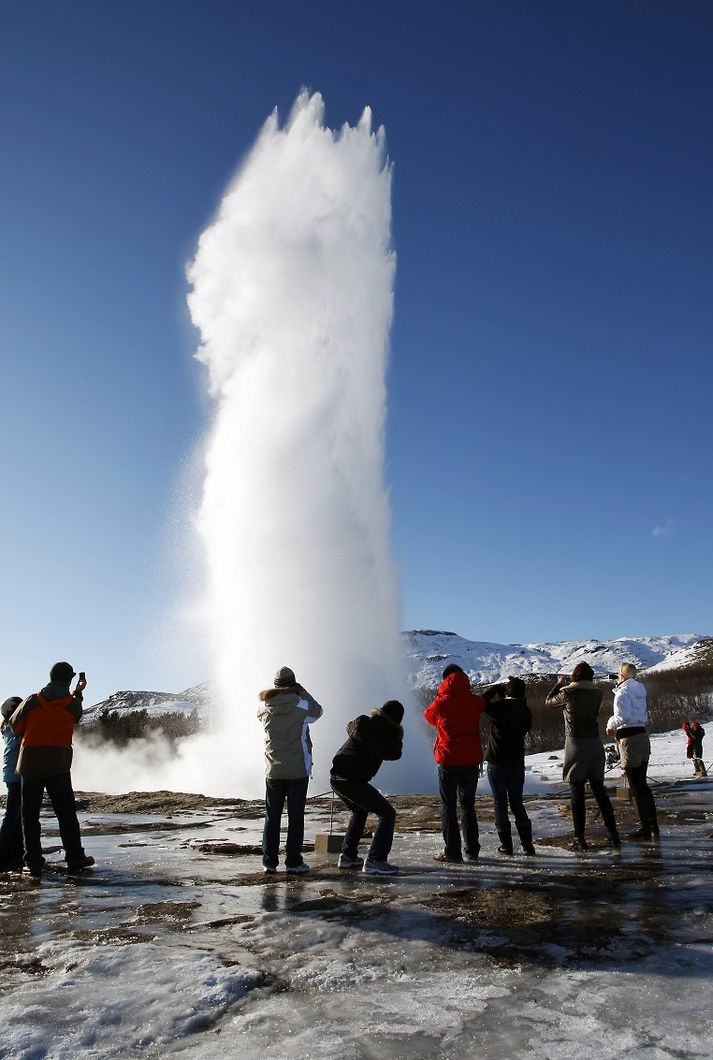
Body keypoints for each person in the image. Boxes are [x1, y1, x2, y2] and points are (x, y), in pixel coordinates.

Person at [10, 662, 94, 877]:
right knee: (66, 814)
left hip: (30, 764)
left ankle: (33, 863)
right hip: (58, 764)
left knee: (29, 815)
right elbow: (75, 716)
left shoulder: (32, 701)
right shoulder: (71, 704)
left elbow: (15, 726)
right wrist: (78, 692)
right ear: (68, 680)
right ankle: (75, 859)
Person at [546, 662, 620, 851]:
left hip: (576, 743)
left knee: (577, 792)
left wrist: (559, 684)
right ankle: (613, 835)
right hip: (595, 743)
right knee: (599, 792)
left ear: (575, 676)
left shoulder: (568, 693)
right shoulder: (598, 693)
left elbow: (548, 702)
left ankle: (579, 838)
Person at [257, 666, 323, 875]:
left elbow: (260, 715)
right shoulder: (302, 705)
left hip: (273, 771)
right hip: (297, 770)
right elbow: (318, 711)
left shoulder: (264, 709)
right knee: (296, 816)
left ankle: (269, 861)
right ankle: (293, 862)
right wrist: (301, 691)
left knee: (272, 816)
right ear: (294, 683)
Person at [330, 699, 404, 876]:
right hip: (352, 780)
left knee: (360, 811)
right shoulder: (386, 738)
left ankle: (348, 857)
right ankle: (375, 860)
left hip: (336, 777)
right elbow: (396, 753)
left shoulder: (362, 722)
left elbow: (350, 726)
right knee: (387, 814)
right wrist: (397, 733)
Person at [424, 664, 485, 863]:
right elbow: (483, 705)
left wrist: (440, 697)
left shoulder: (441, 703)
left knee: (448, 807)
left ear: (445, 680)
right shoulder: (474, 701)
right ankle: (472, 851)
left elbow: (429, 717)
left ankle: (452, 852)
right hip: (470, 760)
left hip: (448, 759)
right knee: (468, 806)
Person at [482, 677, 536, 855]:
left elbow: (481, 703)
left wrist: (494, 691)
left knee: (500, 802)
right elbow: (526, 727)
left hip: (497, 761)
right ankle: (527, 845)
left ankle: (506, 845)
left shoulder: (499, 707)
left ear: (507, 691)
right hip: (516, 763)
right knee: (517, 803)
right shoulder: (525, 711)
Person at [606, 663, 659, 840]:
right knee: (642, 784)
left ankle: (645, 827)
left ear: (621, 675)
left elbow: (623, 716)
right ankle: (653, 825)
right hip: (642, 736)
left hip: (629, 739)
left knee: (636, 786)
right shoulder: (640, 691)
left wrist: (610, 724)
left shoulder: (622, 693)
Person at [0, 697, 23, 871]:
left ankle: (15, 854)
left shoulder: (8, 728)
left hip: (14, 776)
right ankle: (3, 854)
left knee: (16, 816)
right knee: (12, 816)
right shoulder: (13, 729)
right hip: (16, 776)